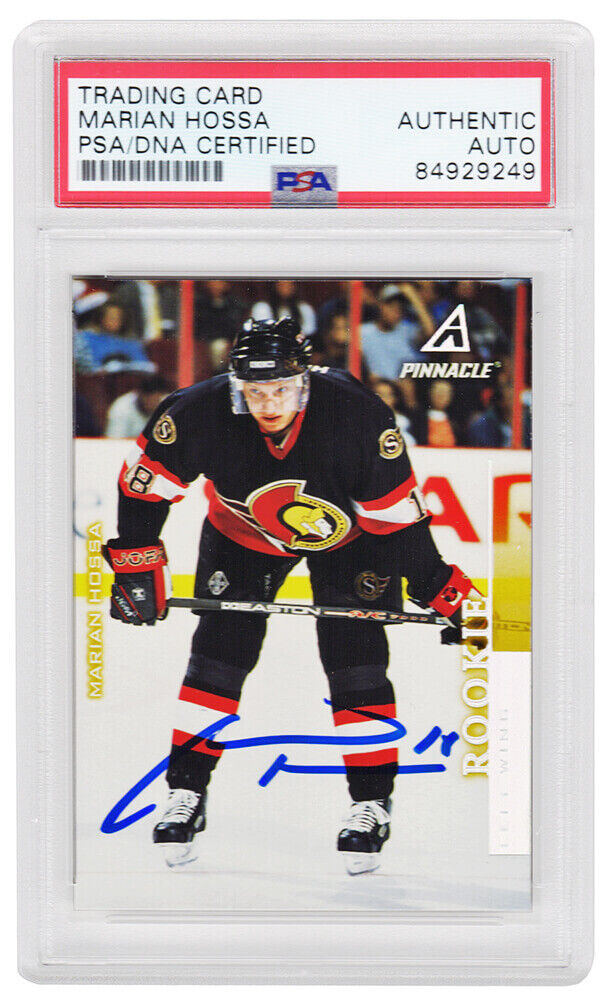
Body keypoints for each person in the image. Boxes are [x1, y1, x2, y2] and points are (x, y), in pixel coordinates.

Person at [103, 319, 472, 875]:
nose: (268, 403)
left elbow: (397, 521)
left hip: (351, 539)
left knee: (355, 659)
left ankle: (371, 802)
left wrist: (438, 587)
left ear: (304, 381)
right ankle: (186, 791)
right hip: (241, 534)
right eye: (255, 391)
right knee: (218, 655)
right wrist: (137, 560)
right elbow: (143, 486)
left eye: (280, 389)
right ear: (236, 386)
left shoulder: (356, 414)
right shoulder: (196, 410)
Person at [360, 285, 427, 379]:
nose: (395, 311)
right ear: (380, 305)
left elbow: (430, 333)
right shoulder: (363, 332)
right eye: (391, 306)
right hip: (379, 385)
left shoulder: (407, 331)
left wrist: (414, 297)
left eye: (400, 308)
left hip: (408, 384)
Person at [105, 376, 173, 438]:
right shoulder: (121, 408)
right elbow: (115, 441)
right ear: (139, 394)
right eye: (149, 399)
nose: (152, 403)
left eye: (156, 400)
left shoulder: (169, 404)